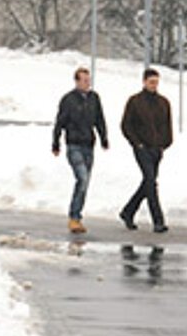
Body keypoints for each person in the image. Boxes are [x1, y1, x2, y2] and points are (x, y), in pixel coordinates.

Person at [52, 67, 108, 234]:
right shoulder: (68, 100)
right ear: (77, 81)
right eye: (84, 80)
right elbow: (59, 122)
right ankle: (74, 216)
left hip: (89, 144)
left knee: (85, 182)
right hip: (74, 144)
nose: (87, 83)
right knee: (82, 178)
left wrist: (104, 138)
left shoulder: (94, 98)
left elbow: (100, 119)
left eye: (88, 80)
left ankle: (77, 216)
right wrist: (55, 143)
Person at [119, 68, 173, 233]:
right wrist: (137, 143)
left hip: (157, 148)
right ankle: (158, 220)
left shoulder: (163, 102)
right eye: (151, 82)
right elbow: (126, 125)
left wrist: (165, 143)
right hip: (142, 147)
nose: (154, 85)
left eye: (156, 82)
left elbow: (167, 125)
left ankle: (128, 212)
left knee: (148, 183)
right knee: (150, 181)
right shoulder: (135, 101)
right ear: (144, 82)